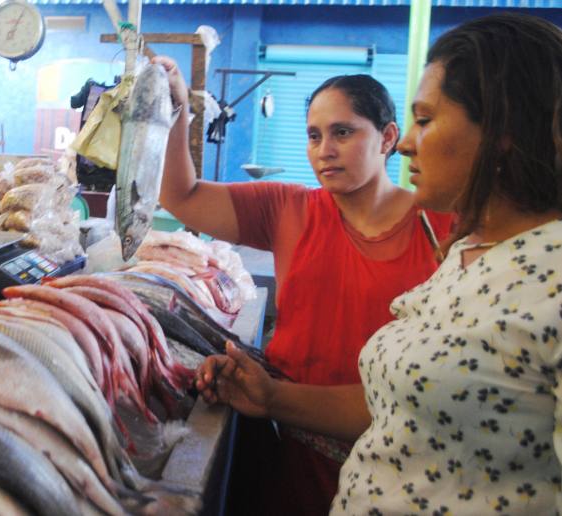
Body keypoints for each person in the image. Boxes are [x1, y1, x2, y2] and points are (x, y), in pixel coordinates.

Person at [194, 12, 562, 514]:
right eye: (314, 135)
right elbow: (399, 397)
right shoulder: (469, 255)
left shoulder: (543, 279)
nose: (409, 143)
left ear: (504, 130)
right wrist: (271, 397)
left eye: (425, 120)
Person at [153, 57, 453, 513]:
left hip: (401, 468)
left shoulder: (442, 228)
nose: (324, 150)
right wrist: (177, 110)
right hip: (291, 450)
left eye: (342, 132)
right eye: (314, 136)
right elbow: (182, 196)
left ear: (389, 137)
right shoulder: (287, 209)